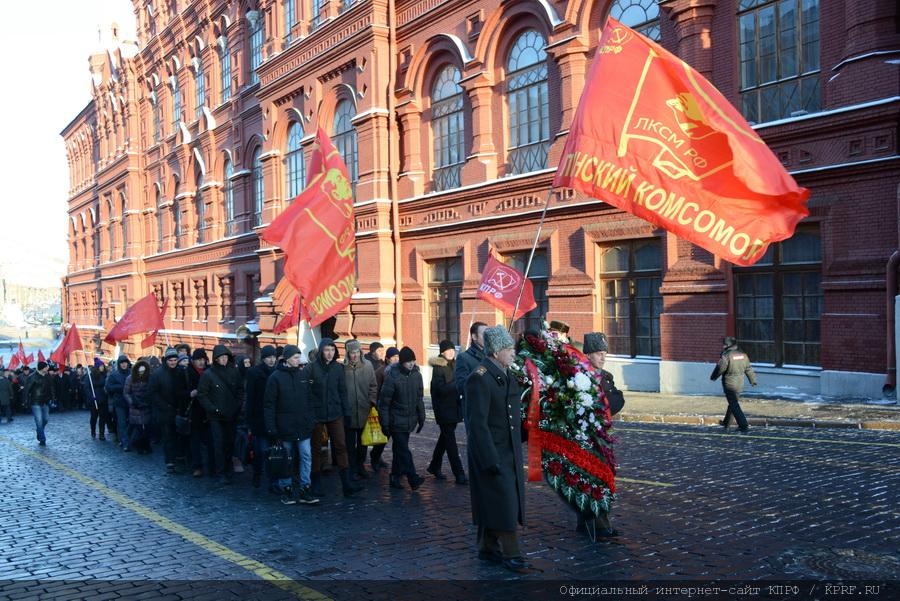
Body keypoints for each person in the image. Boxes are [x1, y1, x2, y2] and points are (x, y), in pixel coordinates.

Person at [465, 325, 531, 573]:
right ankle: (512, 553)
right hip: (491, 453)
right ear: (494, 352)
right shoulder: (479, 378)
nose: (512, 353)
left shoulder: (505, 374)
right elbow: (477, 424)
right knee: (504, 502)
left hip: (508, 452)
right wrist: (490, 459)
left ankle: (486, 546)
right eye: (507, 348)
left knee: (495, 501)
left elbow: (512, 417)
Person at [580, 332, 623, 538]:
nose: (603, 357)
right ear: (588, 354)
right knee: (594, 480)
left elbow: (617, 400)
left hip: (603, 435)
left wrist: (605, 406)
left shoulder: (605, 376)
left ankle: (587, 521)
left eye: (605, 353)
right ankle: (600, 524)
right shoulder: (580, 377)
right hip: (588, 438)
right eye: (599, 353)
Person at [264, 344, 318, 505]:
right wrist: (272, 427)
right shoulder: (275, 377)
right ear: (287, 358)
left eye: (299, 357)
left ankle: (305, 488)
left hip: (303, 425)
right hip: (284, 426)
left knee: (306, 456)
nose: (298, 360)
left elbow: (309, 401)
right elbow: (269, 404)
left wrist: (311, 420)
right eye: (295, 357)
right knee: (286, 459)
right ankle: (286, 489)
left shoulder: (302, 375)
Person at [309, 338, 361, 498]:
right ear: (321, 351)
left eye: (332, 350)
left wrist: (347, 413)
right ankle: (315, 482)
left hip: (335, 412)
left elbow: (342, 391)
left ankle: (346, 483)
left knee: (340, 445)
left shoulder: (338, 368)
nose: (329, 353)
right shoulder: (311, 368)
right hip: (317, 414)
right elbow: (307, 393)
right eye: (326, 350)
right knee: (316, 448)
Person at [378, 346, 426, 491]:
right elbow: (384, 402)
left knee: (400, 449)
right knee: (404, 449)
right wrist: (385, 424)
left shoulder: (417, 375)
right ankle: (413, 478)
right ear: (402, 363)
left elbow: (419, 398)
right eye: (408, 361)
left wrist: (421, 417)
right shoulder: (392, 376)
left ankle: (394, 476)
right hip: (396, 420)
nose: (411, 364)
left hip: (409, 420)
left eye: (413, 361)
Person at [197, 345, 245, 484]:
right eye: (220, 358)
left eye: (225, 357)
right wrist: (212, 409)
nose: (223, 360)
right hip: (216, 416)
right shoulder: (208, 374)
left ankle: (228, 468)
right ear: (215, 359)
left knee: (230, 443)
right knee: (218, 444)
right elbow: (202, 394)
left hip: (231, 414)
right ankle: (220, 472)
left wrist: (238, 405)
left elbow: (240, 390)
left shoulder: (234, 371)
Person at [427, 340, 467, 484]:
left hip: (454, 408)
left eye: (452, 350)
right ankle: (459, 474)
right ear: (442, 352)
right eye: (447, 350)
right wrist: (456, 383)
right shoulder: (439, 367)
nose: (451, 352)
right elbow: (440, 390)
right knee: (451, 443)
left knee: (444, 439)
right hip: (443, 409)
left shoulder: (455, 365)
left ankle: (434, 465)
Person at [343, 340, 378, 481]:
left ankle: (360, 466)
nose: (355, 355)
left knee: (364, 442)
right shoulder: (343, 368)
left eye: (357, 352)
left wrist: (371, 401)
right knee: (350, 444)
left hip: (364, 410)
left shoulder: (368, 365)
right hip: (349, 412)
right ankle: (352, 468)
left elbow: (373, 386)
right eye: (352, 352)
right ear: (348, 353)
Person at [149, 348, 187, 473]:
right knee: (168, 436)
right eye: (170, 360)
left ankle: (179, 456)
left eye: (175, 360)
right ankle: (170, 461)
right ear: (166, 360)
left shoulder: (181, 372)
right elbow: (153, 393)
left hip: (178, 409)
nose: (173, 362)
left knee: (179, 435)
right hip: (164, 411)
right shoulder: (157, 374)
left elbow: (183, 389)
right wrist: (163, 405)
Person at [246, 345, 278, 489]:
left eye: (273, 357)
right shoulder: (253, 373)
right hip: (259, 418)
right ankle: (257, 474)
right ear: (263, 358)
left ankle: (273, 480)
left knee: (274, 451)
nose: (271, 360)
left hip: (275, 418)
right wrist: (249, 422)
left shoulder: (278, 371)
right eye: (268, 357)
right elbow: (250, 399)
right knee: (261, 450)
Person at [710, 336, 757, 433]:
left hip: (729, 383)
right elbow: (748, 368)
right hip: (740, 383)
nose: (722, 346)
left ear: (728, 345)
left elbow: (720, 368)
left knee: (734, 404)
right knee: (733, 403)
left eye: (724, 344)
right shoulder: (743, 354)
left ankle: (743, 425)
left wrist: (713, 377)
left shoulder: (727, 355)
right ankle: (726, 423)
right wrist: (753, 380)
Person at [369, 346, 399, 471]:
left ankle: (379, 457)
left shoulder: (399, 370)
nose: (396, 360)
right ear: (387, 359)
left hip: (395, 409)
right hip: (383, 409)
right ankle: (375, 457)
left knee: (392, 437)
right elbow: (374, 390)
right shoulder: (381, 372)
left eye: (398, 357)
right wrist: (376, 405)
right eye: (393, 358)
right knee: (383, 437)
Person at [455, 321, 488, 426]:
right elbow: (461, 386)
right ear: (474, 336)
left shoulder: (492, 356)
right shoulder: (464, 358)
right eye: (484, 334)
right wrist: (483, 368)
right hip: (475, 411)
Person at [186, 349, 212, 477]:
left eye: (203, 360)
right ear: (193, 361)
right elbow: (179, 392)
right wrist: (190, 393)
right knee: (195, 442)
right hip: (194, 412)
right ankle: (197, 466)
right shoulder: (187, 373)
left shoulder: (210, 372)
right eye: (199, 360)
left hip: (209, 412)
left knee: (210, 441)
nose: (201, 362)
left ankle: (211, 465)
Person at [124, 360, 154, 454]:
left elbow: (152, 391)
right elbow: (126, 393)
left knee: (147, 428)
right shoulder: (130, 378)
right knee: (138, 428)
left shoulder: (149, 378)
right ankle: (139, 446)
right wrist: (132, 402)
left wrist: (149, 401)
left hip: (146, 405)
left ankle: (145, 445)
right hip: (135, 407)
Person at [105, 355, 132, 451]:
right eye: (122, 363)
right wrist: (120, 388)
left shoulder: (132, 373)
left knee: (131, 423)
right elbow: (108, 388)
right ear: (119, 364)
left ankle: (127, 440)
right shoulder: (114, 375)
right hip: (119, 403)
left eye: (125, 362)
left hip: (130, 402)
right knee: (122, 423)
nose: (124, 364)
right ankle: (124, 442)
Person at [25, 362, 55, 445]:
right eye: (46, 367)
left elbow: (51, 387)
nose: (48, 368)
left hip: (45, 401)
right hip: (35, 402)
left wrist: (52, 398)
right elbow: (27, 390)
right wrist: (25, 401)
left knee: (45, 419)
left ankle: (39, 430)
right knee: (39, 420)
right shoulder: (32, 377)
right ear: (42, 368)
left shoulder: (47, 376)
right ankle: (42, 439)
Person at [83, 363, 109, 439]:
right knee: (94, 417)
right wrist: (91, 396)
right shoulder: (90, 376)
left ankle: (101, 433)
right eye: (101, 366)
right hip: (94, 400)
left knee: (103, 417)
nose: (102, 368)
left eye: (103, 366)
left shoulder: (104, 375)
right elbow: (86, 388)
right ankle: (93, 431)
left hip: (103, 399)